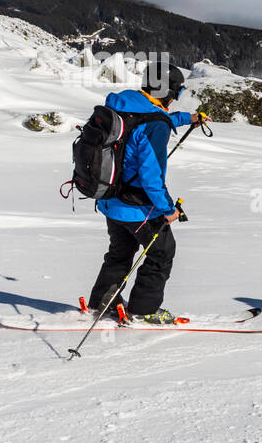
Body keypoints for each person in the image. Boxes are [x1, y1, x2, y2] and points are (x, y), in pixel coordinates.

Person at [87, 61, 205, 323]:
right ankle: (144, 309)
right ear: (169, 92)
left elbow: (149, 119)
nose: (177, 99)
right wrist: (168, 209)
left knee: (120, 252)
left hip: (109, 199)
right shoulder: (156, 124)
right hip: (137, 207)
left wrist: (189, 119)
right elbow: (152, 179)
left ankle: (101, 302)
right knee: (161, 252)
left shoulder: (120, 105)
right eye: (178, 93)